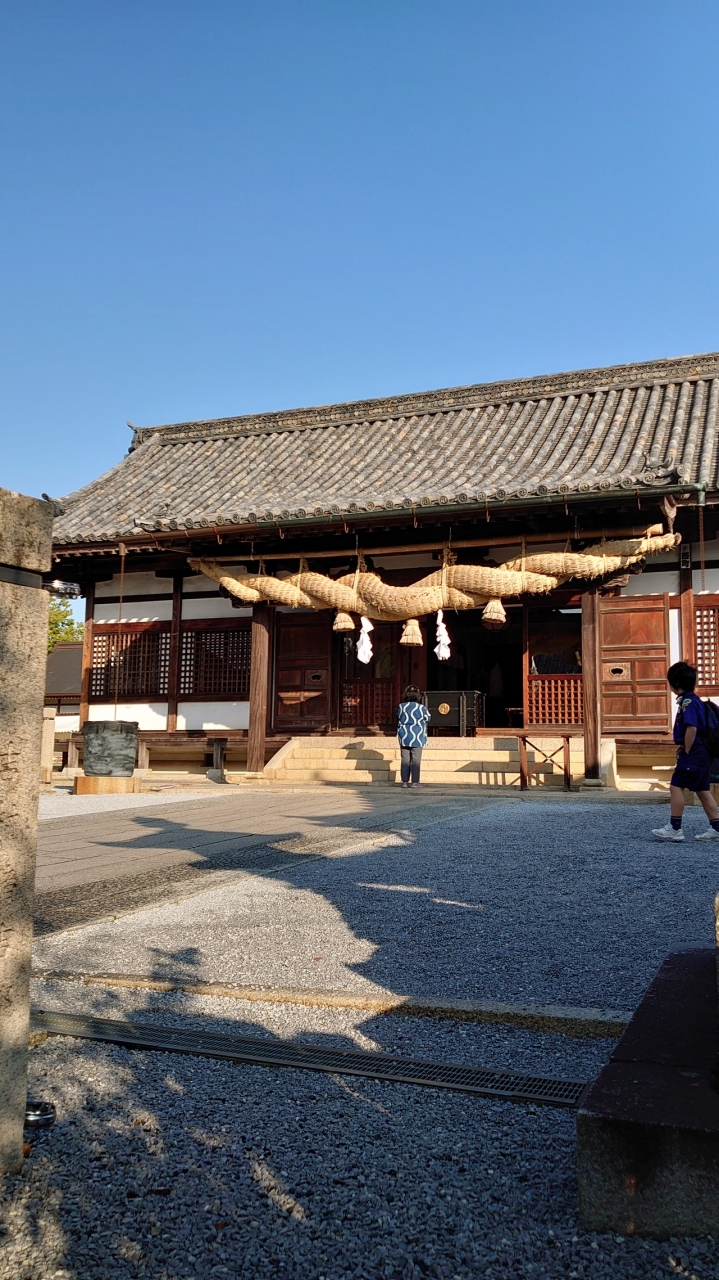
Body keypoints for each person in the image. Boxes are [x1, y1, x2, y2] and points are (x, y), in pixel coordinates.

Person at [652, 661, 719, 842]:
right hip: (704, 752)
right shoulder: (696, 700)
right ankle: (716, 827)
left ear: (675, 683)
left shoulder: (687, 702)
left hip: (694, 751)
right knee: (702, 789)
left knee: (676, 786)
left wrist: (686, 751)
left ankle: (675, 828)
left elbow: (691, 728)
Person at [396, 685, 431, 788]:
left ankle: (404, 782)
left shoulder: (401, 706)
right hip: (417, 735)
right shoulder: (421, 708)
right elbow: (428, 718)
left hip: (404, 735)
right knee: (416, 760)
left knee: (405, 759)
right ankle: (415, 782)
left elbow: (398, 716)